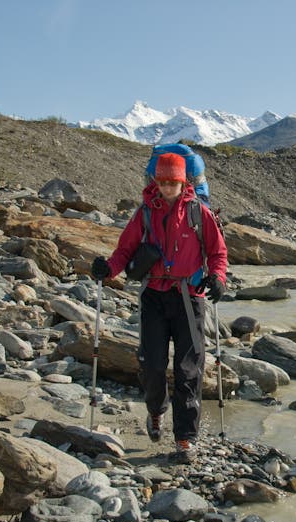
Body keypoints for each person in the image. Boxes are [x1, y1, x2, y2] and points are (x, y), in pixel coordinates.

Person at [91, 152, 228, 463]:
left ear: (183, 181)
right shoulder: (145, 212)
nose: (167, 187)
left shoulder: (198, 213)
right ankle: (156, 411)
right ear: (156, 181)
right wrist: (107, 269)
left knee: (187, 370)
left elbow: (218, 252)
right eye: (162, 181)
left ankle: (185, 439)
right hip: (153, 294)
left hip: (189, 297)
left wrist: (218, 278)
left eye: (173, 182)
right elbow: (124, 250)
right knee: (152, 365)